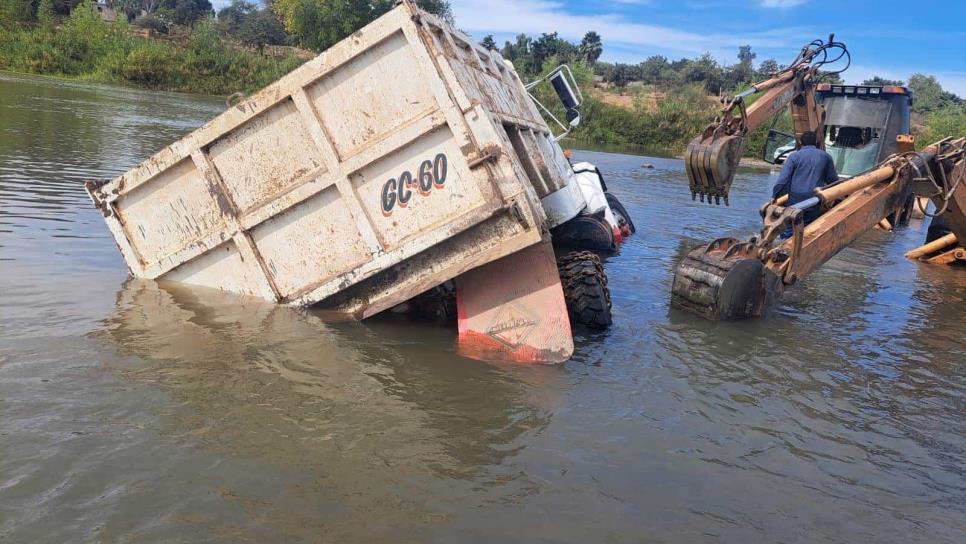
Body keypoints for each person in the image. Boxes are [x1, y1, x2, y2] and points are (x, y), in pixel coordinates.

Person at [772, 130, 838, 224]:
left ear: (800, 142)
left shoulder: (793, 157)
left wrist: (774, 196)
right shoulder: (826, 157)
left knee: (790, 226)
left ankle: (787, 237)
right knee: (807, 226)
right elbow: (833, 180)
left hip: (795, 200)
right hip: (814, 200)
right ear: (815, 142)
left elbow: (782, 180)